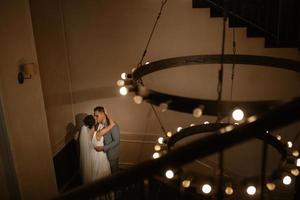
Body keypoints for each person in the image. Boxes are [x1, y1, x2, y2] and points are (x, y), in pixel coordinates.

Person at [80, 115, 115, 183]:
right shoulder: (98, 133)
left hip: (91, 156)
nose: (96, 118)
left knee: (94, 174)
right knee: (101, 175)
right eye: (95, 118)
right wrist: (106, 114)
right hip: (99, 156)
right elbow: (112, 124)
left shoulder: (87, 134)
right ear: (94, 123)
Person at [93, 106, 120, 173]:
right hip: (103, 156)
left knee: (114, 174)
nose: (95, 118)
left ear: (103, 114)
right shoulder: (99, 125)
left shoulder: (113, 125)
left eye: (97, 116)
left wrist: (103, 148)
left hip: (112, 154)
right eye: (94, 116)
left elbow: (117, 141)